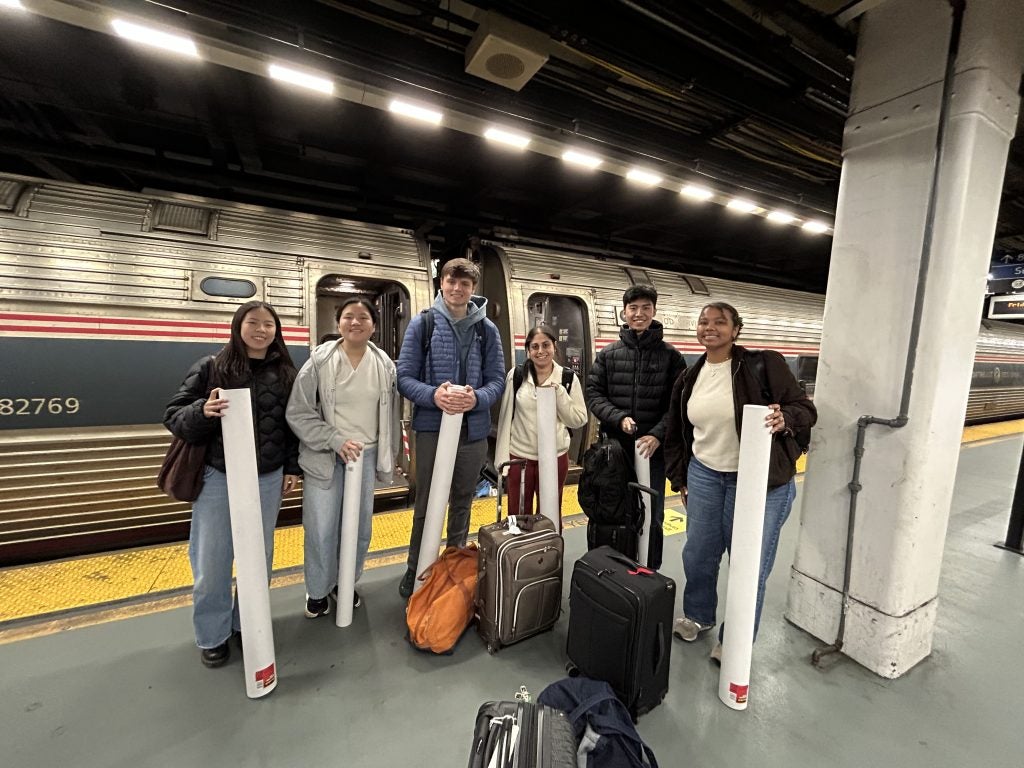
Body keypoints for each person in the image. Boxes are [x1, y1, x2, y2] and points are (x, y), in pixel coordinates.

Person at [663, 301, 816, 662]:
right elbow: (678, 432)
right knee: (698, 553)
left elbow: (805, 410)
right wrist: (680, 479)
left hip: (759, 482)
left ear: (736, 330)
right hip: (704, 475)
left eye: (720, 322)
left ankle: (735, 640)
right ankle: (699, 617)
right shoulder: (689, 377)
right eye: (704, 322)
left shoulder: (763, 364)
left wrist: (785, 418)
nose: (710, 327)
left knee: (750, 563)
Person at [164, 301, 300, 668]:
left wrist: (291, 467)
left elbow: (292, 426)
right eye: (252, 323)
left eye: (268, 324)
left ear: (277, 330)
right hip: (219, 477)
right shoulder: (212, 367)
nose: (261, 330)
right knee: (212, 558)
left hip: (268, 478)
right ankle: (213, 635)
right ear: (237, 326)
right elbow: (174, 414)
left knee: (259, 558)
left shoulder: (286, 372)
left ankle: (247, 624)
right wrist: (202, 412)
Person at [396, 257, 505, 598]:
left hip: (472, 433)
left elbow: (497, 381)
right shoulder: (423, 324)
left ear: (473, 288)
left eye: (465, 283)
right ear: (441, 283)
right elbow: (404, 378)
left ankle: (454, 563)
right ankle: (416, 567)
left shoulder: (487, 330)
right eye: (451, 281)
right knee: (427, 502)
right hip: (431, 429)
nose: (457, 288)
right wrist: (434, 396)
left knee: (462, 500)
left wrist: (477, 399)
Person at [286, 297, 400, 618]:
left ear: (373, 326)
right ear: (338, 324)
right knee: (321, 526)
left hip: (365, 456)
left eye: (363, 317)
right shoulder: (320, 362)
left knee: (359, 526)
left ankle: (345, 582)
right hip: (325, 455)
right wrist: (334, 440)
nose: (355, 322)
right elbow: (298, 411)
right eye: (348, 316)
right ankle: (318, 590)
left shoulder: (385, 365)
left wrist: (390, 457)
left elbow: (392, 415)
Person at [585, 284, 685, 570]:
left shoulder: (671, 357)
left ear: (654, 311)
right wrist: (617, 417)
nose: (639, 314)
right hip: (615, 451)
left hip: (653, 452)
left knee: (652, 514)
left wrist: (656, 435)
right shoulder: (608, 355)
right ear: (624, 312)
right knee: (613, 509)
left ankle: (648, 571)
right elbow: (594, 393)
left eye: (645, 308)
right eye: (633, 308)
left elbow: (677, 404)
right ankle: (614, 568)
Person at [494, 325, 589, 527]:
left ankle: (547, 553)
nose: (540, 351)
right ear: (528, 350)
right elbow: (505, 417)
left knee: (550, 512)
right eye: (534, 346)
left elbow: (579, 420)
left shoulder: (567, 378)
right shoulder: (517, 376)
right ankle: (517, 554)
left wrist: (560, 395)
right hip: (519, 457)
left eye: (546, 345)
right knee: (517, 514)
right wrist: (501, 460)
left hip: (555, 457)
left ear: (554, 346)